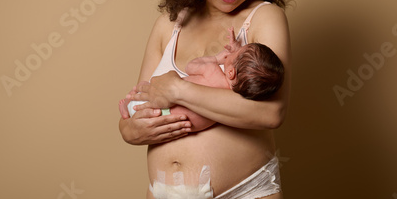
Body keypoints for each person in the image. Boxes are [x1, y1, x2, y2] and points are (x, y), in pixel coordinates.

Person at [118, 0, 291, 199]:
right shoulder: (170, 24)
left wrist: (179, 88)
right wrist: (129, 130)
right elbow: (140, 104)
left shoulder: (263, 18)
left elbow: (271, 113)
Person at [119, 27, 285, 132]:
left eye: (237, 51)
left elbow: (191, 66)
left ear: (231, 73)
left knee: (142, 90)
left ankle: (128, 105)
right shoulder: (233, 100)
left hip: (159, 114)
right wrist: (235, 56)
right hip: (172, 123)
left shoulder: (212, 71)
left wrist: (216, 59)